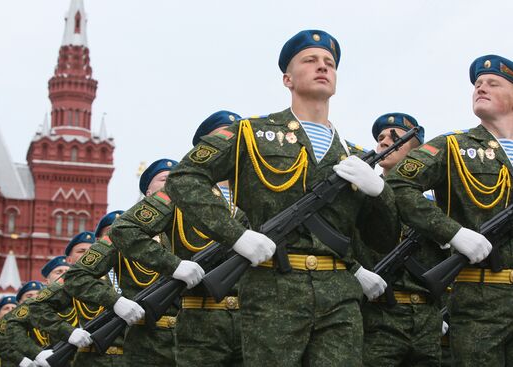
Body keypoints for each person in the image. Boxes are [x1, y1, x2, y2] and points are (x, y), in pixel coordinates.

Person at [165, 29, 399, 366]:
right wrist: (238, 235)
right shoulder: (252, 133)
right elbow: (184, 178)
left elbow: (383, 238)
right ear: (288, 78)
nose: (323, 67)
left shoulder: (356, 156)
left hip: (339, 293)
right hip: (273, 287)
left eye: (330, 63)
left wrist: (380, 193)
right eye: (310, 60)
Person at [386, 54, 513, 366]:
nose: (481, 87)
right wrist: (452, 232)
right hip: (482, 298)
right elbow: (400, 185)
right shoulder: (453, 146)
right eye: (477, 84)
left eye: (492, 83)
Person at [111, 110, 245, 366]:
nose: (231, 144)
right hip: (201, 323)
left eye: (238, 138)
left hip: (254, 322)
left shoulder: (260, 192)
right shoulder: (178, 193)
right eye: (223, 138)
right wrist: (175, 266)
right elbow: (123, 230)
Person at [64, 167, 181, 366]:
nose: (172, 183)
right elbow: (77, 276)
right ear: (148, 193)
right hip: (146, 344)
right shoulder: (123, 234)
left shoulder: (190, 230)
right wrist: (116, 301)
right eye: (164, 179)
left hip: (192, 340)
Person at [356, 113, 448, 366]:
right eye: (380, 137)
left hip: (427, 317)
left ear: (417, 151)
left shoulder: (436, 210)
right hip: (377, 313)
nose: (384, 142)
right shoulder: (363, 198)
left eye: (394, 137)